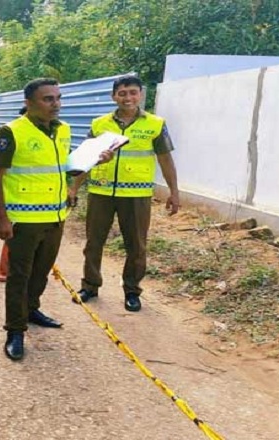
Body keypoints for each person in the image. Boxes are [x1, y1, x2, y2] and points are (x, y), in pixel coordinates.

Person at [0, 78, 113, 361]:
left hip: (56, 217)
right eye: (47, 99)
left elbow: (63, 167)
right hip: (23, 220)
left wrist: (95, 160)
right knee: (19, 275)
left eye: (58, 98)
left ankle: (31, 310)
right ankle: (15, 331)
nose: (55, 104)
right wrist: (1, 219)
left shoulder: (63, 130)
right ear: (28, 103)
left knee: (41, 272)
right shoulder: (10, 132)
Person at [71, 75, 180, 313]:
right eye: (122, 93)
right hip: (101, 192)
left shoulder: (155, 124)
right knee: (93, 243)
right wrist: (73, 187)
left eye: (132, 92)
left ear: (140, 94)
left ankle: (132, 291)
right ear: (114, 97)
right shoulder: (99, 124)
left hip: (136, 196)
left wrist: (174, 192)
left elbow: (165, 159)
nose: (127, 97)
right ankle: (90, 285)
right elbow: (87, 157)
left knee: (136, 245)